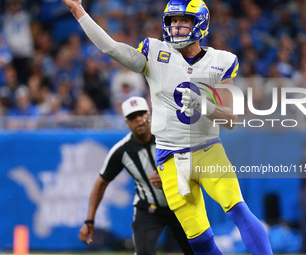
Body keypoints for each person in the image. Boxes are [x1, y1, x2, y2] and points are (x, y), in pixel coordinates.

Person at [62, 0, 273, 254]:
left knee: (237, 208)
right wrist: (78, 11)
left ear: (200, 23)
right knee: (199, 240)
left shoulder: (220, 61)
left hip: (207, 150)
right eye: (172, 20)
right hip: (170, 159)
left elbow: (230, 119)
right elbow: (111, 48)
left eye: (183, 20)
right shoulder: (155, 53)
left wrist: (202, 104)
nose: (176, 26)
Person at [79, 96, 194, 255]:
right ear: (127, 122)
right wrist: (89, 221)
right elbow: (101, 183)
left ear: (149, 115)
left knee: (197, 249)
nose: (139, 120)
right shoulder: (122, 151)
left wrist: (170, 179)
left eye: (142, 114)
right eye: (133, 117)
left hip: (180, 203)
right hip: (149, 208)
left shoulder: (168, 137)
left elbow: (196, 165)